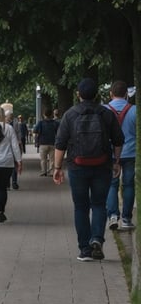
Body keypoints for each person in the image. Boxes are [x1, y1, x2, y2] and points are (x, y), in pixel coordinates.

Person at [54, 78, 124, 261]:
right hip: (102, 165)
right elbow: (118, 140)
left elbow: (60, 143)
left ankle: (85, 250)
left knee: (81, 207)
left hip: (77, 166)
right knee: (99, 204)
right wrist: (116, 161)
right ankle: (97, 240)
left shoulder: (70, 115)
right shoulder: (106, 114)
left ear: (78, 94)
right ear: (97, 95)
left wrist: (57, 167)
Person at [105, 80, 136, 231]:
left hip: (110, 153)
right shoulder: (135, 110)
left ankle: (112, 216)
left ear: (111, 93)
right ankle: (127, 218)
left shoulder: (104, 110)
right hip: (130, 153)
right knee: (129, 185)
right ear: (126, 94)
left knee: (112, 184)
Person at [34, 109, 60, 177]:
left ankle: (44, 171)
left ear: (44, 115)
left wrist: (37, 140)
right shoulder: (55, 123)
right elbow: (59, 132)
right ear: (52, 114)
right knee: (52, 159)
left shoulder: (41, 123)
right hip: (53, 143)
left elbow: (35, 131)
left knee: (43, 159)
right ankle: (52, 172)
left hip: (43, 143)